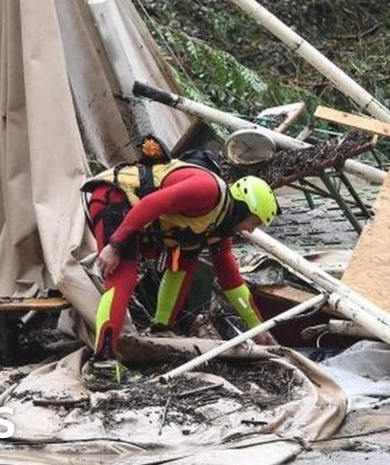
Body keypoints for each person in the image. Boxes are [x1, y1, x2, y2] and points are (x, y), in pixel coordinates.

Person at [81, 137, 279, 382]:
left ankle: (162, 327)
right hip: (115, 198)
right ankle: (103, 364)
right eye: (255, 222)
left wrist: (259, 329)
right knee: (124, 276)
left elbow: (231, 281)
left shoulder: (219, 228)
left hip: (134, 211)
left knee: (187, 256)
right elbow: (154, 202)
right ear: (245, 208)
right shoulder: (208, 189)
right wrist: (115, 244)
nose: (250, 230)